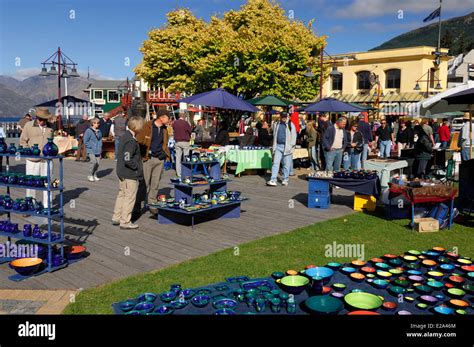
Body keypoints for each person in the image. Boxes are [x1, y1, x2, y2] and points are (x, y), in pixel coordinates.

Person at [112, 116, 144, 230]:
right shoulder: (131, 140)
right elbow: (127, 158)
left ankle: (117, 217)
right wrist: (136, 167)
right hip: (129, 173)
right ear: (137, 127)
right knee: (129, 197)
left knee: (122, 194)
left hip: (121, 172)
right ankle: (125, 221)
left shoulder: (125, 136)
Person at [137, 110, 170, 216]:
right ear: (161, 117)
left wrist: (164, 154)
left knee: (155, 183)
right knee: (144, 183)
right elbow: (140, 141)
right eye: (167, 118)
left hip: (159, 159)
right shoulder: (148, 126)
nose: (169, 120)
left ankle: (152, 205)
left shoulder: (165, 129)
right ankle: (137, 206)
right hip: (148, 158)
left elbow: (164, 143)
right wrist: (144, 155)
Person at [19, 108, 54, 207]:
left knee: (48, 184)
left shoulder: (50, 128)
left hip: (47, 160)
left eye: (44, 119)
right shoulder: (28, 126)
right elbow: (22, 142)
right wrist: (29, 152)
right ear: (36, 117)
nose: (41, 121)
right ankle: (30, 205)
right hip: (32, 161)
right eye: (40, 119)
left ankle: (48, 206)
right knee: (30, 184)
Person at [267, 112, 297, 186]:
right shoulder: (276, 124)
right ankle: (273, 179)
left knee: (286, 165)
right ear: (280, 117)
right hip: (278, 146)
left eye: (285, 116)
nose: (284, 118)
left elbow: (294, 137)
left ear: (287, 117)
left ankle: (285, 179)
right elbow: (274, 134)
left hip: (287, 147)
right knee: (275, 163)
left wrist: (291, 147)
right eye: (282, 116)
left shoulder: (291, 125)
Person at [172, 112, 192, 177]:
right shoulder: (186, 123)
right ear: (184, 117)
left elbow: (173, 129)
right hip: (185, 141)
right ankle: (185, 172)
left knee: (178, 157)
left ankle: (178, 173)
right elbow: (190, 131)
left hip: (177, 141)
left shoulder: (175, 122)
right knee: (186, 157)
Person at [83, 118, 103, 182]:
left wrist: (100, 147)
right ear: (93, 123)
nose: (98, 124)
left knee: (97, 163)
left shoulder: (99, 131)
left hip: (98, 149)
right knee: (93, 161)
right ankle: (90, 175)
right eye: (97, 123)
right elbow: (85, 141)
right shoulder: (88, 131)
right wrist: (91, 146)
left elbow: (100, 140)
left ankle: (95, 174)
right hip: (91, 149)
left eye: (98, 123)